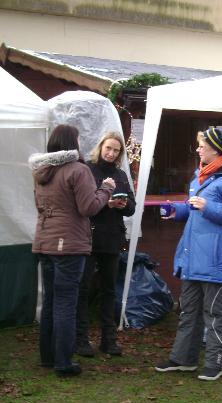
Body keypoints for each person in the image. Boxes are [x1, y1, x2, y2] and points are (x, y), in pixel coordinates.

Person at [155, 128, 222, 381]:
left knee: (216, 313)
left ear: (217, 150)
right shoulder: (199, 177)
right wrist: (177, 211)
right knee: (188, 311)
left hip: (216, 259)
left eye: (201, 146)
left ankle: (217, 362)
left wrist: (209, 206)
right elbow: (194, 209)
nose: (197, 149)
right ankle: (183, 359)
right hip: (192, 257)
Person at [29, 124, 115, 377]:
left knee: (50, 302)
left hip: (45, 241)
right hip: (69, 245)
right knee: (66, 303)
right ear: (72, 143)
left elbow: (40, 206)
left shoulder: (42, 171)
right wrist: (106, 189)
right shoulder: (78, 169)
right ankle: (64, 363)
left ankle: (48, 357)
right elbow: (89, 207)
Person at [74, 132, 136, 357]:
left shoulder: (120, 174)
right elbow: (82, 204)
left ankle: (108, 340)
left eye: (116, 150)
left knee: (109, 290)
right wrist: (105, 203)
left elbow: (132, 207)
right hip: (88, 237)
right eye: (108, 148)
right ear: (100, 147)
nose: (111, 153)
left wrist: (123, 204)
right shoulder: (87, 170)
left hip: (112, 238)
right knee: (83, 289)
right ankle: (81, 339)